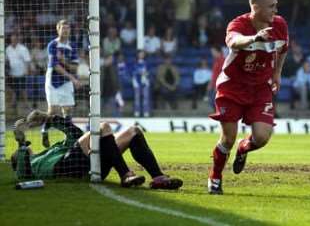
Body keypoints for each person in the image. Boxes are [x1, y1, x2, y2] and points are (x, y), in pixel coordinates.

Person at [207, 0, 288, 194]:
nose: (276, 10)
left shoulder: (280, 24)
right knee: (227, 139)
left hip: (260, 88)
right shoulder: (237, 24)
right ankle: (215, 177)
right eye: (271, 6)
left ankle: (244, 148)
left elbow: (283, 49)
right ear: (256, 8)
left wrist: (277, 73)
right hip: (232, 87)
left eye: (276, 5)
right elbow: (234, 41)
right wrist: (255, 38)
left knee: (261, 138)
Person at [11, 110, 183, 189]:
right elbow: (22, 174)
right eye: (18, 155)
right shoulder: (31, 164)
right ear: (16, 160)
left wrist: (48, 119)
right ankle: (126, 175)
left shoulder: (53, 150)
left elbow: (75, 135)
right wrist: (21, 143)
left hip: (86, 163)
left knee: (133, 131)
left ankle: (158, 178)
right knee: (103, 127)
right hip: (64, 169)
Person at [45, 19, 81, 118]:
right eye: (63, 28)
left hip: (66, 81)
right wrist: (73, 78)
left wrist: (64, 61)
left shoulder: (72, 46)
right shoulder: (52, 45)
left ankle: (67, 132)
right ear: (58, 30)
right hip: (53, 80)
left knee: (68, 109)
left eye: (68, 28)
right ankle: (45, 131)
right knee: (53, 110)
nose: (66, 30)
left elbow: (75, 67)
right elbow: (55, 66)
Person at [6, 33, 32, 113]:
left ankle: (26, 105)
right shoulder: (8, 49)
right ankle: (13, 105)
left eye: (15, 39)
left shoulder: (23, 48)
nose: (13, 40)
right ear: (10, 39)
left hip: (21, 73)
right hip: (11, 74)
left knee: (23, 90)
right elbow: (6, 60)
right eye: (12, 39)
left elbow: (27, 60)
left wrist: (27, 70)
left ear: (17, 40)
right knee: (13, 90)